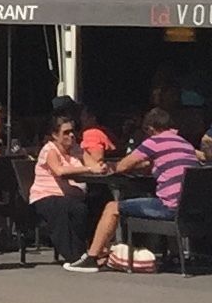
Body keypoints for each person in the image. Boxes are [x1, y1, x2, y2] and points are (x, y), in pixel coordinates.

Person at [75, 103, 205, 270]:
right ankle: (174, 255)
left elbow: (123, 166)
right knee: (165, 195)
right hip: (192, 208)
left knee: (112, 207)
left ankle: (92, 257)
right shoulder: (185, 144)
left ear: (150, 129)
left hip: (170, 208)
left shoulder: (154, 142)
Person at [28, 111, 105, 264]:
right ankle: (75, 255)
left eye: (72, 132)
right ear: (55, 135)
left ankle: (97, 249)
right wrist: (89, 170)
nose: (71, 136)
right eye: (66, 132)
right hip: (46, 196)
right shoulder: (50, 150)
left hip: (72, 196)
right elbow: (60, 171)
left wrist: (99, 165)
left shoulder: (76, 149)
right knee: (74, 208)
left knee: (101, 201)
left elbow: (93, 164)